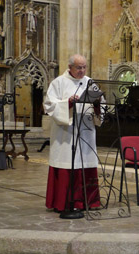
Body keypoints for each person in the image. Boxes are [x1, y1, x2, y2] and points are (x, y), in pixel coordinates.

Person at [43, 54, 102, 212]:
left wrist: (97, 105)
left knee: (86, 164)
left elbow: (100, 105)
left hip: (86, 131)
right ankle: (66, 202)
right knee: (68, 164)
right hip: (66, 134)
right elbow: (49, 105)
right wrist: (68, 103)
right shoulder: (58, 83)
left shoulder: (90, 82)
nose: (82, 70)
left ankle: (89, 202)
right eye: (78, 67)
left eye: (84, 67)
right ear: (70, 67)